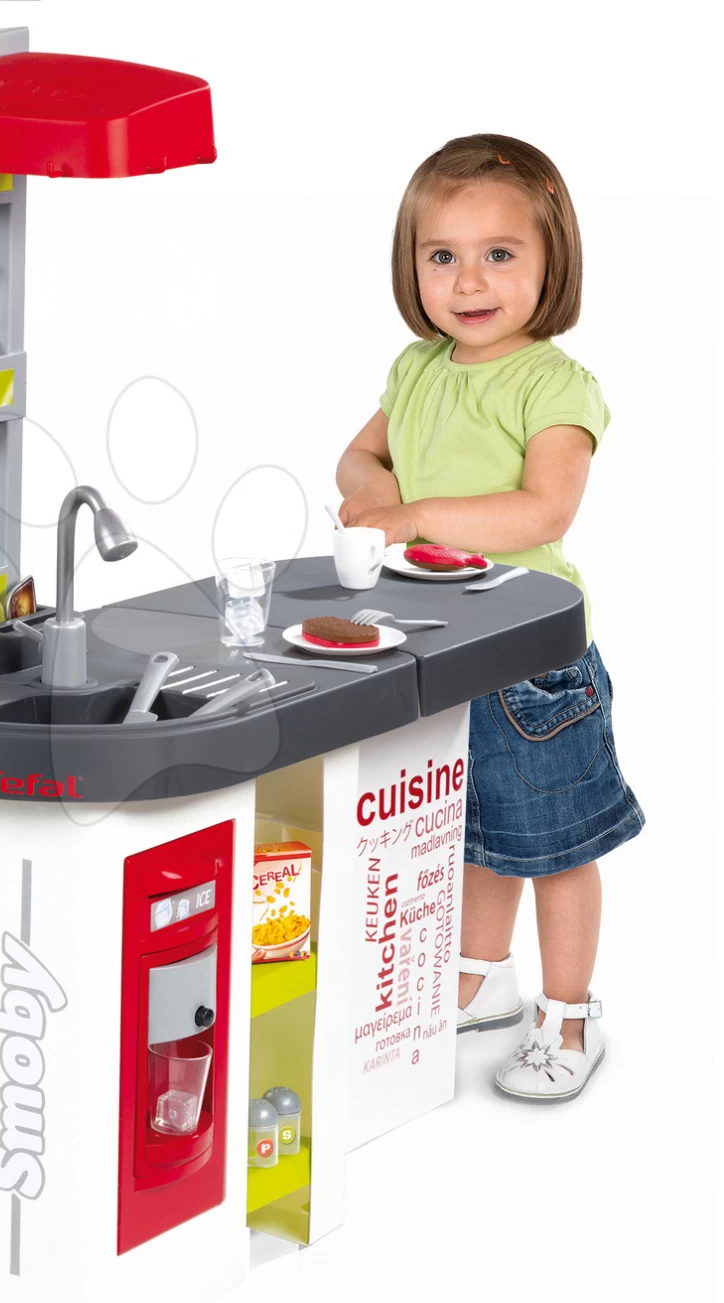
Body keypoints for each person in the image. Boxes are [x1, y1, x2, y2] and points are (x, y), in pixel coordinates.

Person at [335, 134, 643, 1101]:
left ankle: (571, 1013)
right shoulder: (417, 368)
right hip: (439, 648)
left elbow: (543, 510)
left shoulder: (553, 383)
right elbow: (358, 458)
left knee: (554, 846)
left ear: (552, 261)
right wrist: (373, 499)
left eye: (499, 253)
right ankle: (481, 980)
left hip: (531, 663)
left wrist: (412, 516)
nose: (469, 280)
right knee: (471, 832)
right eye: (443, 255)